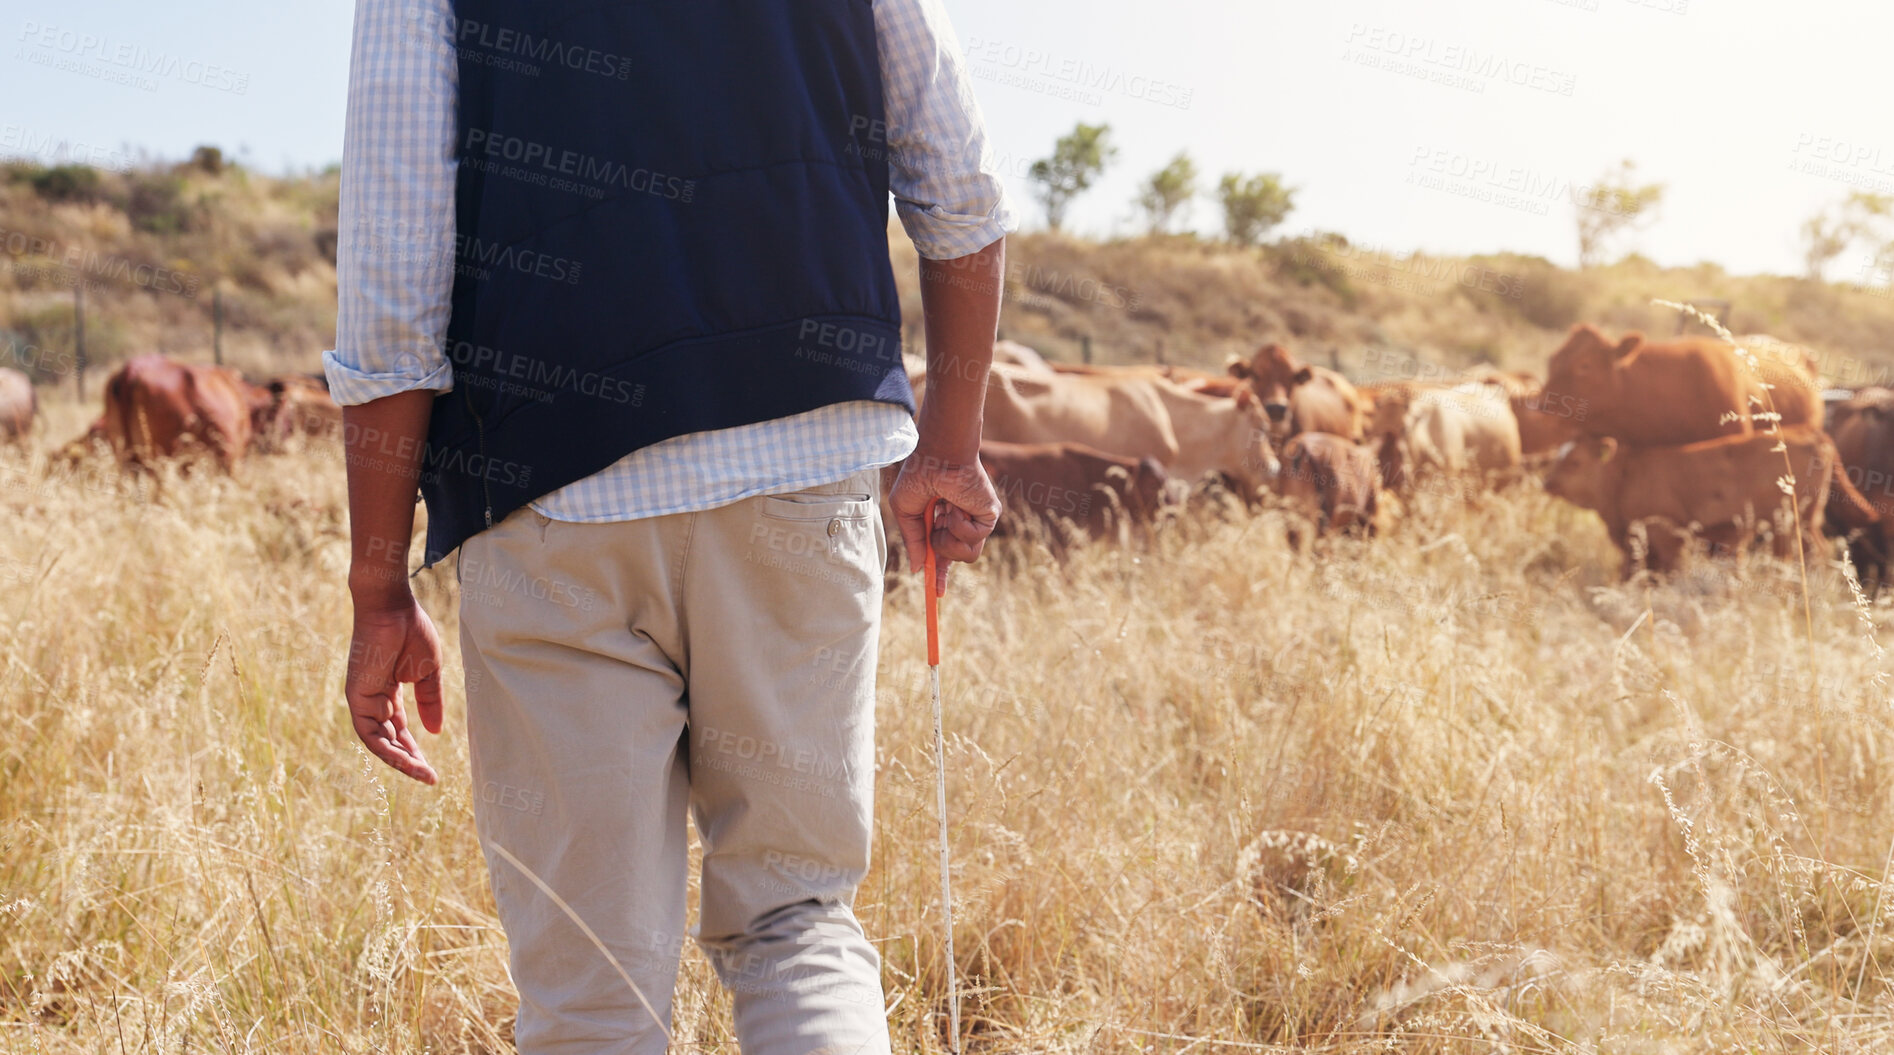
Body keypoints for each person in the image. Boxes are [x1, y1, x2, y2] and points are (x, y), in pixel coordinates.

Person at [324, 0, 1012, 1050]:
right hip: (804, 462)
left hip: (551, 491)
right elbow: (958, 191)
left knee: (592, 989)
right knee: (797, 920)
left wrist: (379, 585)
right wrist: (948, 448)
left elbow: (391, 277)